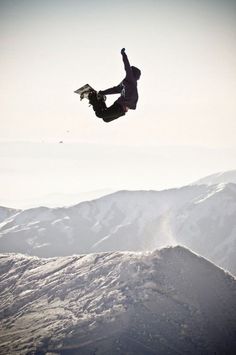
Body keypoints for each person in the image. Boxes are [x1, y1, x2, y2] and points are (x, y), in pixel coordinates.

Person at [88, 48, 141, 122]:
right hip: (119, 106)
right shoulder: (124, 83)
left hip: (121, 109)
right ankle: (94, 97)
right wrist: (102, 92)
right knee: (101, 115)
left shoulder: (132, 80)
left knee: (106, 119)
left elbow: (127, 67)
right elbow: (115, 89)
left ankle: (98, 99)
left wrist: (123, 54)